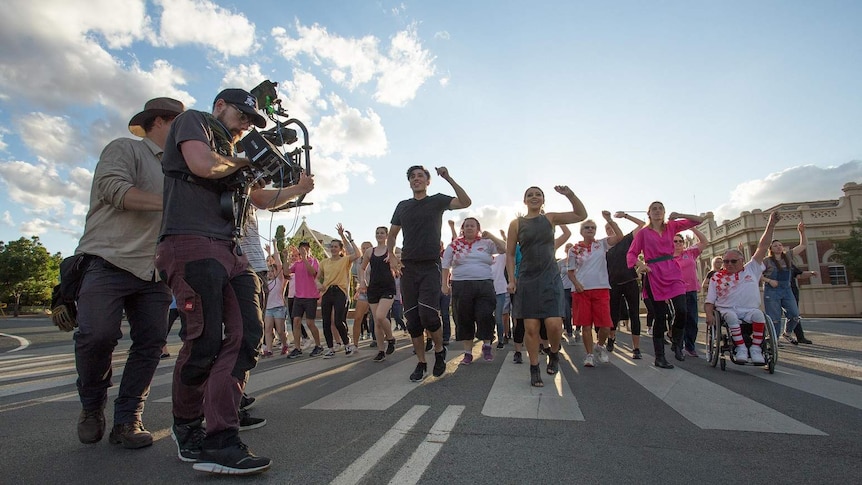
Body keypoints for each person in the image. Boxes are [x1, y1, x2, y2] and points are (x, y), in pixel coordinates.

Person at [156, 88, 272, 474]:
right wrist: (242, 161)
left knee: (247, 335)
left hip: (230, 248)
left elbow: (262, 200)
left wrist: (298, 188)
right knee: (204, 340)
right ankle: (188, 427)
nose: (245, 126)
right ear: (220, 106)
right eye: (242, 116)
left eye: (251, 122)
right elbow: (203, 164)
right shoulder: (195, 121)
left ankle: (222, 436)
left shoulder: (233, 154)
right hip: (190, 240)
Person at [73, 97, 183, 450]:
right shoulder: (125, 149)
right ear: (161, 122)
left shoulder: (181, 167)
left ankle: (127, 419)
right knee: (96, 335)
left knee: (151, 343)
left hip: (155, 272)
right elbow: (114, 190)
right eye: (180, 124)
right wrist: (175, 198)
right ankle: (92, 407)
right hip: (109, 260)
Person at [387, 165, 472, 382]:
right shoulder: (402, 206)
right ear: (409, 182)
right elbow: (393, 234)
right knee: (413, 320)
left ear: (427, 181)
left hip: (430, 265)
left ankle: (439, 350)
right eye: (413, 177)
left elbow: (465, 202)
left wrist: (449, 177)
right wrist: (392, 255)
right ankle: (421, 362)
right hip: (408, 267)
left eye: (420, 176)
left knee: (428, 314)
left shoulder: (437, 200)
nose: (416, 179)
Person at [507, 185, 587, 387]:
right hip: (527, 278)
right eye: (530, 195)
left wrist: (570, 194)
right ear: (524, 201)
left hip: (550, 277)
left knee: (554, 324)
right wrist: (512, 280)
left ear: (543, 200)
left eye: (538, 195)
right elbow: (509, 254)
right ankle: (534, 367)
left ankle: (554, 353)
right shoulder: (517, 224)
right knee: (531, 327)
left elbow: (580, 214)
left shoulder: (550, 218)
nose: (534, 197)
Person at [626, 202, 704, 368]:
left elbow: (699, 220)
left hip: (672, 271)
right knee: (660, 316)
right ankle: (659, 357)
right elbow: (631, 254)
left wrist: (680, 213)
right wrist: (641, 265)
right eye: (654, 208)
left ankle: (676, 339)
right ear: (649, 213)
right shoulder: (643, 233)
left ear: (664, 212)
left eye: (660, 208)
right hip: (654, 273)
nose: (657, 211)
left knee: (682, 310)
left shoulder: (672, 226)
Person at [705, 212, 780, 364]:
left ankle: (756, 348)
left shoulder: (751, 268)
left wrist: (771, 224)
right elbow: (710, 301)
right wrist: (709, 315)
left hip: (749, 309)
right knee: (732, 317)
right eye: (726, 262)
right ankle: (741, 348)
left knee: (759, 316)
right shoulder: (717, 277)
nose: (729, 264)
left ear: (742, 260)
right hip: (727, 310)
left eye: (733, 261)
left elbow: (763, 246)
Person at [442, 218, 506, 365]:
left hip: (484, 284)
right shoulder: (454, 245)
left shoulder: (486, 243)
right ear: (462, 228)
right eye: (467, 226)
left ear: (478, 228)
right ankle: (468, 353)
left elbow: (504, 249)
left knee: (485, 315)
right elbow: (445, 266)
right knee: (464, 318)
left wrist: (492, 236)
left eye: (473, 225)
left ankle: (487, 345)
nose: (469, 228)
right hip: (460, 284)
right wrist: (444, 285)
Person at [567, 212, 624, 367]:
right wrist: (577, 283)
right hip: (581, 291)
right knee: (586, 325)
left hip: (601, 289)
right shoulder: (574, 249)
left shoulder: (601, 244)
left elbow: (619, 236)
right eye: (586, 227)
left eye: (592, 227)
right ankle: (589, 355)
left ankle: (599, 346)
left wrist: (609, 220)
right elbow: (570, 271)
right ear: (581, 231)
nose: (590, 229)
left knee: (605, 325)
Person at [605, 212, 646, 360]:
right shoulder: (604, 246)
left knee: (634, 314)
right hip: (613, 284)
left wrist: (626, 216)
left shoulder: (627, 239)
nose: (610, 230)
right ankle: (611, 337)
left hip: (630, 281)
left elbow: (642, 225)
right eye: (608, 229)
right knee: (613, 314)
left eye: (612, 228)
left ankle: (636, 348)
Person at [317, 224, 360, 358]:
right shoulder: (324, 262)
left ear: (340, 249)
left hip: (340, 291)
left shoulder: (345, 260)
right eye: (332, 246)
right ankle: (330, 348)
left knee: (338, 321)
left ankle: (347, 344)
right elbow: (317, 277)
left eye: (336, 246)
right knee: (326, 322)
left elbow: (357, 254)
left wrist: (345, 237)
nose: (333, 249)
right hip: (327, 292)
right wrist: (318, 284)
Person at [762, 222, 808, 345]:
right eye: (775, 245)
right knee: (775, 318)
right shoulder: (766, 261)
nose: (778, 247)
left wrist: (801, 232)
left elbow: (803, 245)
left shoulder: (788, 256)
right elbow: (757, 274)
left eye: (780, 245)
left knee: (794, 315)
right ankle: (773, 340)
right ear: (770, 249)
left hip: (786, 290)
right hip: (771, 291)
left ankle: (787, 333)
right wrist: (769, 280)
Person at [359, 227, 399, 361]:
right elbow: (362, 268)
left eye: (382, 233)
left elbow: (398, 264)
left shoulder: (391, 250)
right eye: (377, 233)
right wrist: (362, 282)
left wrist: (395, 263)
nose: (379, 235)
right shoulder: (370, 251)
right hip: (373, 288)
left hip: (387, 288)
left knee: (381, 316)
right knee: (376, 322)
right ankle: (381, 351)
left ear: (387, 235)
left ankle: (391, 338)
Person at [674, 227, 708, 357]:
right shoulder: (667, 258)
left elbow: (704, 241)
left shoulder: (690, 252)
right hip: (676, 292)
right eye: (675, 241)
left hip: (691, 290)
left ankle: (690, 346)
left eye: (680, 241)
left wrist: (692, 228)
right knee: (680, 317)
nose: (678, 244)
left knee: (692, 319)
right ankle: (678, 344)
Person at [287, 241, 324, 358]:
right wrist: (285, 258)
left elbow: (313, 272)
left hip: (311, 297)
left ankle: (318, 345)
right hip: (298, 297)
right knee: (296, 321)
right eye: (301, 249)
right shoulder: (297, 264)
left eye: (305, 249)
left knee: (309, 322)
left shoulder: (313, 261)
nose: (303, 251)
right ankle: (297, 348)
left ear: (309, 250)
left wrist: (304, 258)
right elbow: (286, 272)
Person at [790, 264, 817, 344]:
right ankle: (774, 339)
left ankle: (800, 337)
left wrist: (811, 273)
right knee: (775, 316)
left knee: (794, 314)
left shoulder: (788, 262)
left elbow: (799, 275)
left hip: (792, 291)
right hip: (775, 292)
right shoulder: (769, 262)